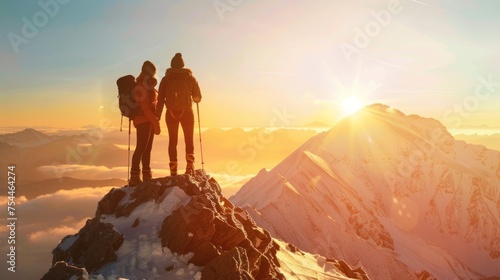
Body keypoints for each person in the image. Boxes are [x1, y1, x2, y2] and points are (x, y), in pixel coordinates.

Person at [156, 53, 202, 176]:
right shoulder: (190, 78)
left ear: (171, 65)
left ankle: (173, 169)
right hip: (187, 112)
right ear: (182, 65)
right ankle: (189, 166)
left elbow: (160, 100)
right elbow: (198, 97)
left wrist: (157, 117)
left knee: (172, 141)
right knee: (189, 139)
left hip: (170, 113)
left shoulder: (166, 79)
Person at [129, 60, 161, 186]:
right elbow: (145, 108)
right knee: (141, 148)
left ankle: (146, 174)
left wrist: (154, 121)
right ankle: (135, 177)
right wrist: (155, 122)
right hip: (143, 121)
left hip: (148, 121)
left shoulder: (148, 86)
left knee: (147, 149)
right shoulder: (141, 86)